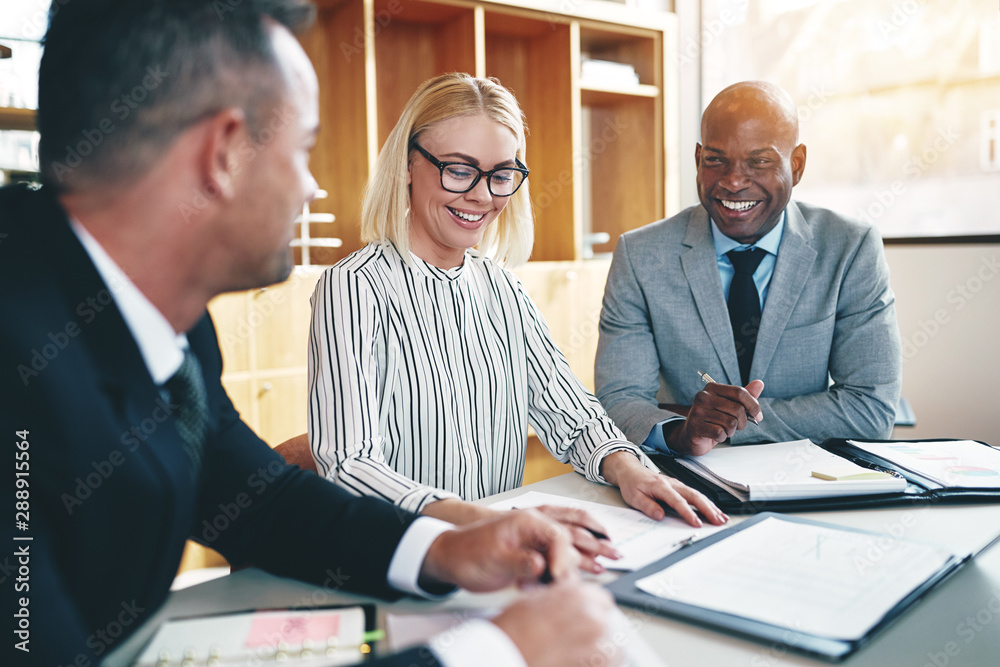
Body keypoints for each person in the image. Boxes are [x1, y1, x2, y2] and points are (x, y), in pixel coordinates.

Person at [0, 2, 621, 665]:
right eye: (302, 150)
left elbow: (259, 503)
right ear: (223, 152)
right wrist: (497, 650)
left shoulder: (166, 321)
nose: (312, 187)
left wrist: (444, 546)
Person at [307, 72, 728, 546]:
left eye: (501, 175)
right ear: (408, 164)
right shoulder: (353, 288)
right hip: (409, 552)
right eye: (460, 170)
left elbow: (573, 417)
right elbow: (348, 463)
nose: (483, 196)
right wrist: (477, 523)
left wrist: (629, 468)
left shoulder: (502, 287)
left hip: (503, 555)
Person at [595, 80, 902, 457]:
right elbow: (618, 402)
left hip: (810, 478)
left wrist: (715, 423)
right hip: (685, 479)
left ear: (797, 164)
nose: (733, 181)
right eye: (715, 159)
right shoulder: (641, 255)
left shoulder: (850, 248)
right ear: (697, 160)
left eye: (759, 161)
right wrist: (681, 432)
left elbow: (871, 409)